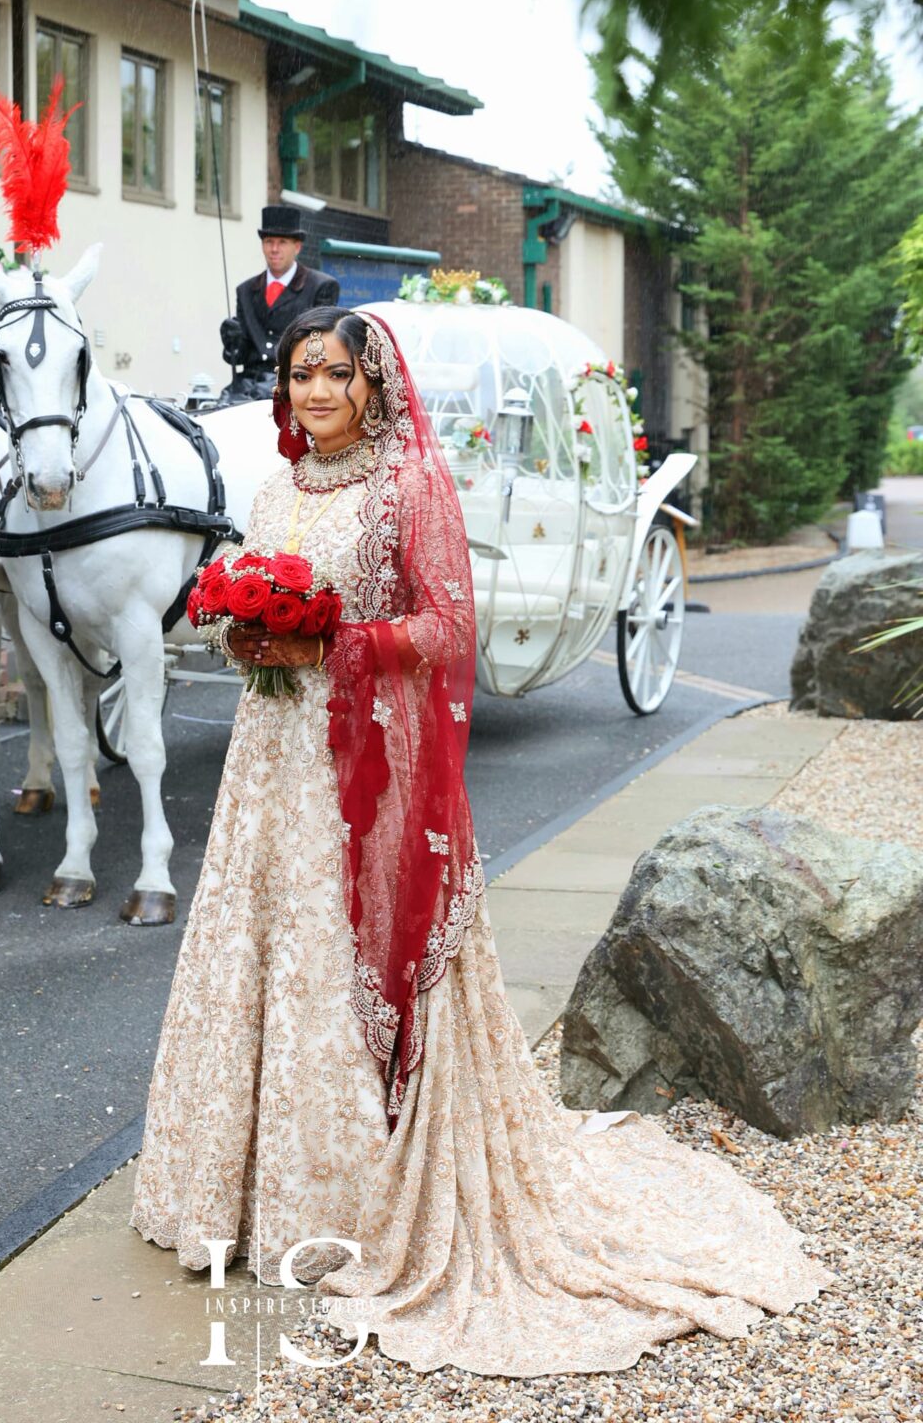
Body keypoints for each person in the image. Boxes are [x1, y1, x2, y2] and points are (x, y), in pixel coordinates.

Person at [129, 303, 833, 1377]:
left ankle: (352, 1200)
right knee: (252, 954)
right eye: (300, 374)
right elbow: (243, 630)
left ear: (374, 387)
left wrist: (334, 637)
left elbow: (447, 627)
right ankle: (231, 1186)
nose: (316, 392)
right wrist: (244, 629)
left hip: (354, 774)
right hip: (265, 768)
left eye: (336, 375)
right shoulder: (271, 490)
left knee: (335, 962)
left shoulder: (406, 487)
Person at [219, 203, 338, 400]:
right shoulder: (246, 291)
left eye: (282, 242)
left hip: (293, 381)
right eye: (268, 241)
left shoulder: (321, 287)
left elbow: (320, 350)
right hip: (247, 383)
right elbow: (240, 357)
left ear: (297, 247)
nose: (274, 249)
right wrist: (233, 342)